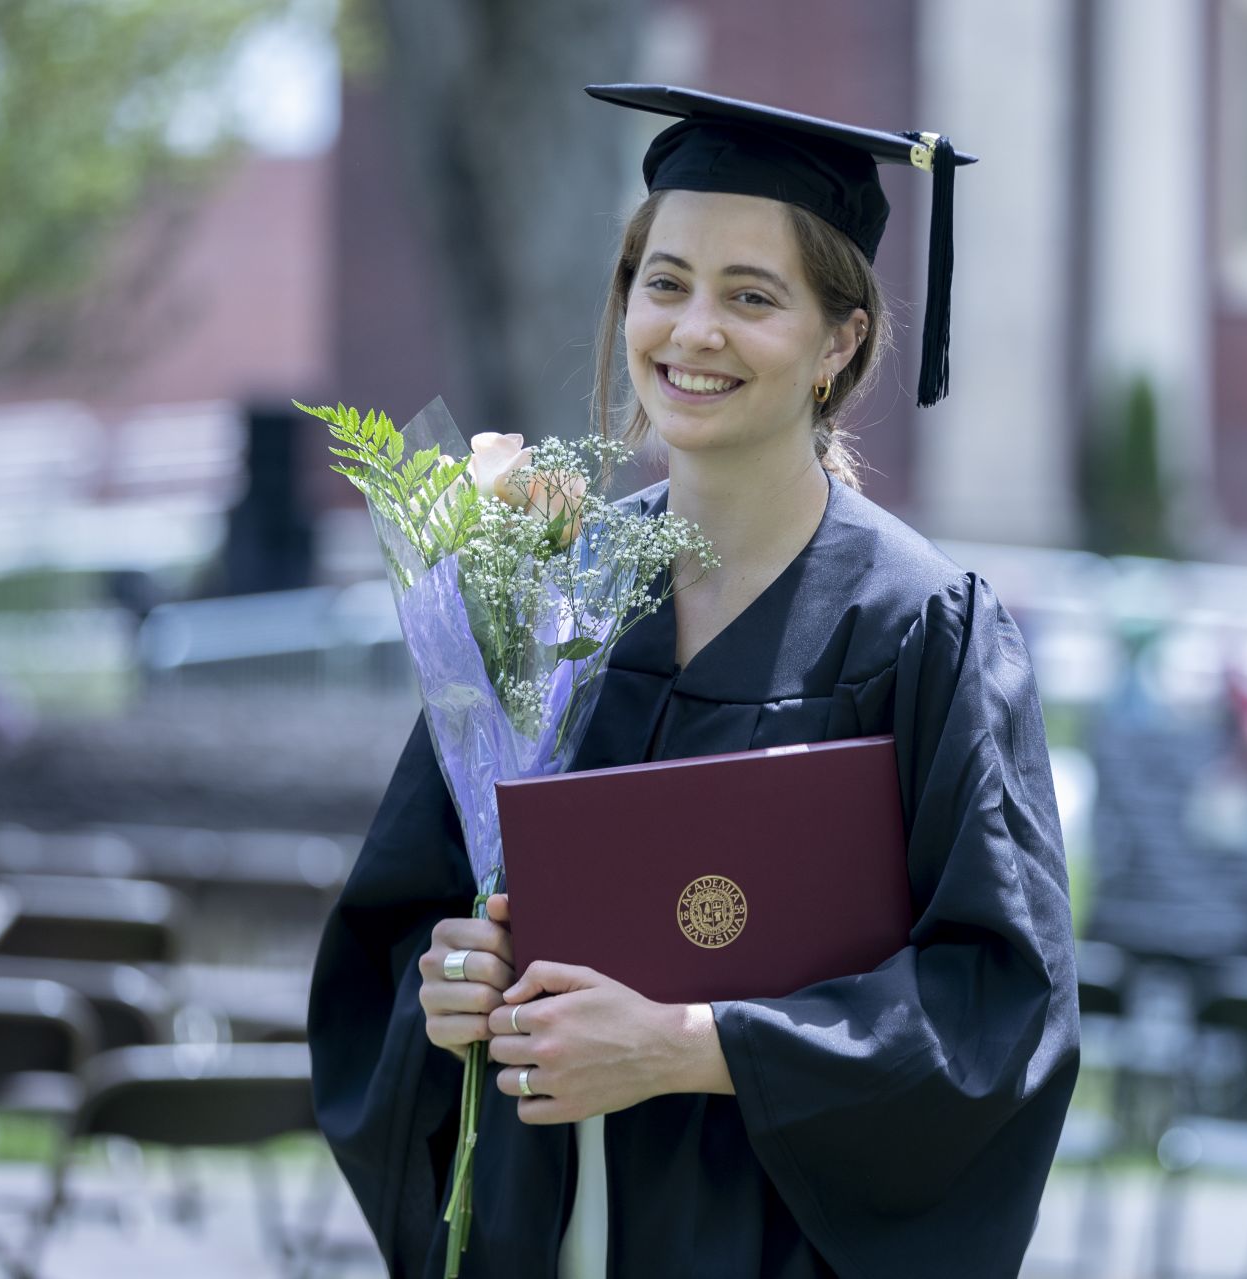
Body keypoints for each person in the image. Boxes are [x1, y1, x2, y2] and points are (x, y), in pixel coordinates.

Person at [309, 84, 1081, 1279]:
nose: (692, 329)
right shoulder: (546, 590)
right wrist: (447, 986)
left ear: (842, 340)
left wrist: (690, 1044)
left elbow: (993, 1007)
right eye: (663, 284)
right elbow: (400, 927)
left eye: (751, 296)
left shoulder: (919, 628)